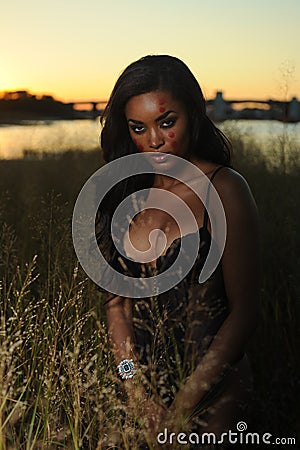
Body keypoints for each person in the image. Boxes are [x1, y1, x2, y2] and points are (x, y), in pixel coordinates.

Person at [96, 55, 260, 448]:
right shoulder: (124, 197)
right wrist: (139, 398)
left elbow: (245, 312)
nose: (153, 140)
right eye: (139, 127)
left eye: (167, 122)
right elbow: (116, 308)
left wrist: (182, 409)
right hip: (145, 391)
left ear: (195, 115)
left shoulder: (225, 189)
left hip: (217, 387)